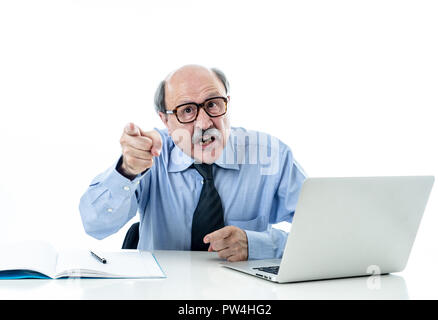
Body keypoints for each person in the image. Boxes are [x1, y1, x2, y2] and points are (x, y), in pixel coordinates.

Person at [79, 65, 307, 262]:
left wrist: (259, 245)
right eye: (187, 110)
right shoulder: (151, 156)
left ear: (227, 103)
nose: (205, 122)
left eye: (213, 104)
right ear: (165, 120)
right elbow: (95, 224)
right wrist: (127, 171)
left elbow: (326, 236)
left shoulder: (272, 156)